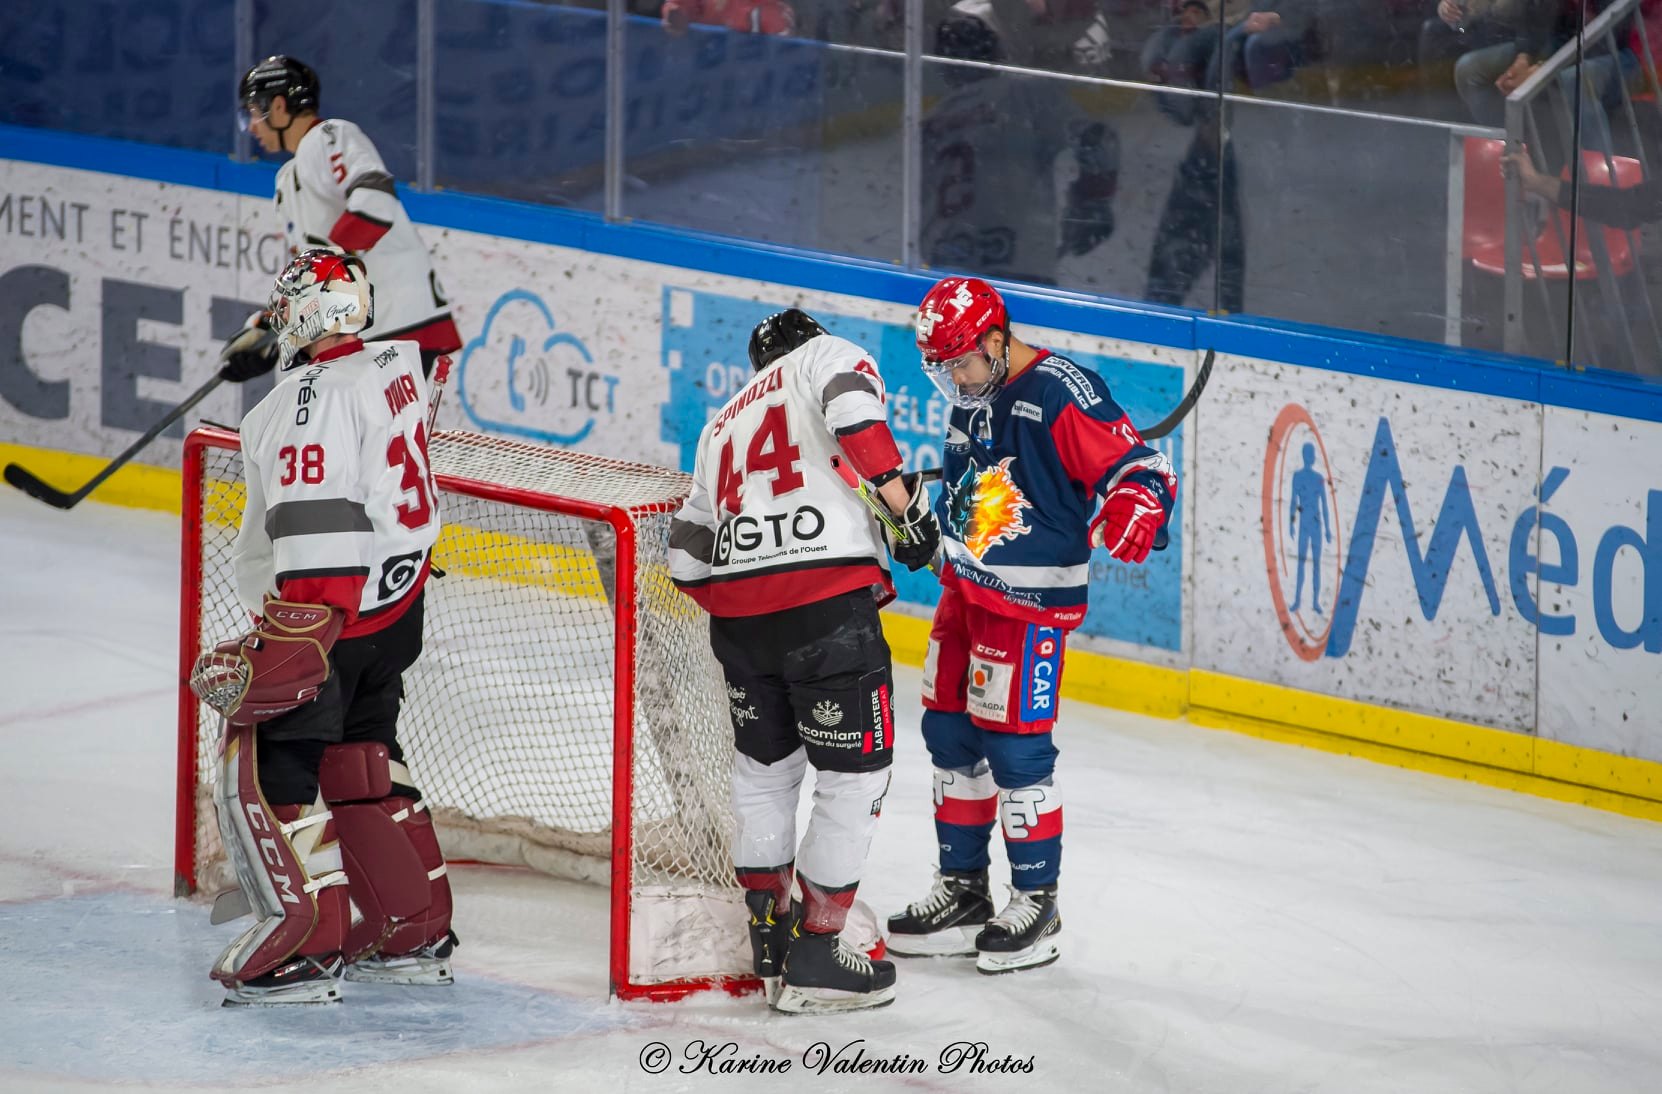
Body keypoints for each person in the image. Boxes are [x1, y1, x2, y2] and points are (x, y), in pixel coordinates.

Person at [887, 277, 1177, 974]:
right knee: (948, 734)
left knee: (1017, 751)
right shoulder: (973, 391)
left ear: (994, 339)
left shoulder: (1060, 390)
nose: (953, 379)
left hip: (1029, 606)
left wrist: (1140, 501)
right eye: (943, 368)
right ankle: (962, 892)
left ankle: (1036, 900)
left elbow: (1141, 467)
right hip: (966, 590)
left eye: (961, 362)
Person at [189, 249, 455, 1006]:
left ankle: (305, 948)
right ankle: (413, 928)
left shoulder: (299, 404)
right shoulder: (394, 366)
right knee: (365, 761)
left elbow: (318, 519)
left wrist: (299, 633)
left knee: (276, 772)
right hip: (395, 611)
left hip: (332, 621)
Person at [667, 309, 940, 1013]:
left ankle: (769, 932)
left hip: (739, 621)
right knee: (854, 777)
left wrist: (751, 606)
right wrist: (905, 512)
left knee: (764, 770)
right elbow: (855, 413)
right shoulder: (824, 356)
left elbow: (686, 556)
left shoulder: (721, 420)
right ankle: (819, 950)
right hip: (825, 610)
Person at [218, 56, 461, 388]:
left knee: (367, 437)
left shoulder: (331, 135)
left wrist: (330, 270)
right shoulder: (286, 181)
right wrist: (273, 327)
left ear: (277, 106)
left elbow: (376, 199)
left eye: (253, 113)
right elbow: (308, 271)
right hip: (360, 331)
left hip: (399, 324)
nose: (253, 128)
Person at [920, 1, 1120, 286]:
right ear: (997, 51)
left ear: (943, 66)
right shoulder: (1025, 95)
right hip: (1020, 264)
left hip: (948, 272)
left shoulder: (930, 122)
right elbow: (1097, 139)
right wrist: (1092, 204)